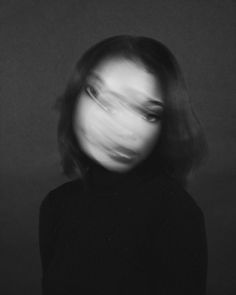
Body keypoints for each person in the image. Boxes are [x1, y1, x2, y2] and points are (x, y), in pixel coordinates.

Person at [39, 35, 208, 294]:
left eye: (147, 113)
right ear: (74, 99)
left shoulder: (175, 212)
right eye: (97, 95)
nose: (121, 127)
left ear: (165, 125)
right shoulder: (56, 206)